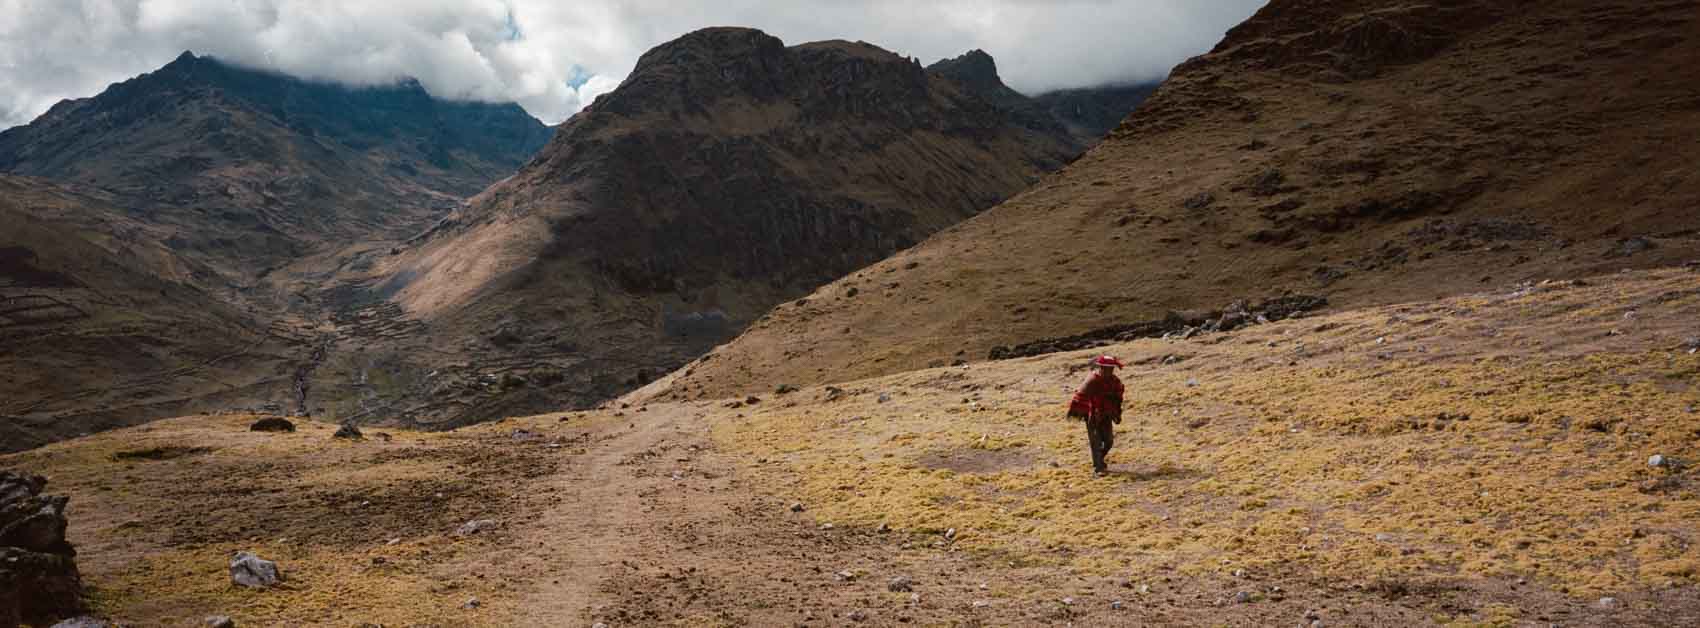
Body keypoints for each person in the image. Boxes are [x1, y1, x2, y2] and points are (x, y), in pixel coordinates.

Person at [1068, 355, 1125, 474]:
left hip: (1106, 415)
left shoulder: (1115, 382)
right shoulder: (1092, 380)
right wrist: (1081, 411)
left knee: (1109, 441)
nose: (1108, 371)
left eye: (1111, 369)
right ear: (1101, 368)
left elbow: (1117, 398)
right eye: (1106, 368)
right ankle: (1098, 467)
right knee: (1096, 442)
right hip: (1092, 415)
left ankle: (1099, 459)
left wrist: (1115, 411)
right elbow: (1080, 396)